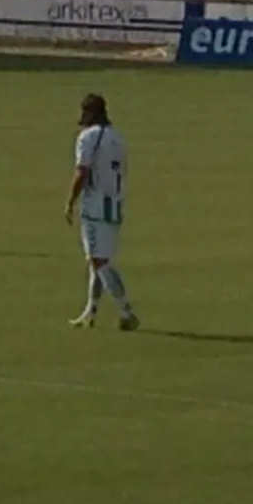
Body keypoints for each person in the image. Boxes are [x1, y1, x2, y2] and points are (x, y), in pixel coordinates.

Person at [64, 93, 139, 331]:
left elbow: (82, 171)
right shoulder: (118, 138)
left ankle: (126, 311)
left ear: (91, 113)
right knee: (97, 260)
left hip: (95, 206)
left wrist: (70, 201)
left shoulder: (88, 137)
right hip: (114, 205)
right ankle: (91, 311)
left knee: (100, 262)